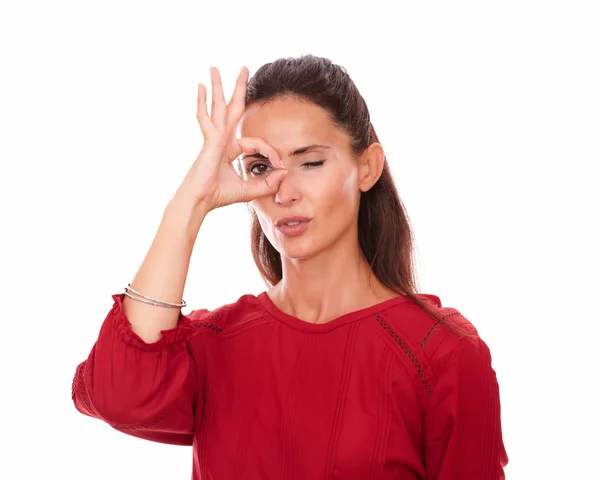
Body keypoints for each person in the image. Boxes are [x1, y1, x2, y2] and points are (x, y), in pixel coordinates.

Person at [71, 55, 508, 479]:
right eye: (261, 167)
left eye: (311, 162)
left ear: (368, 167)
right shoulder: (216, 347)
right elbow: (119, 396)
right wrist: (192, 201)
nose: (284, 193)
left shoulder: (444, 355)